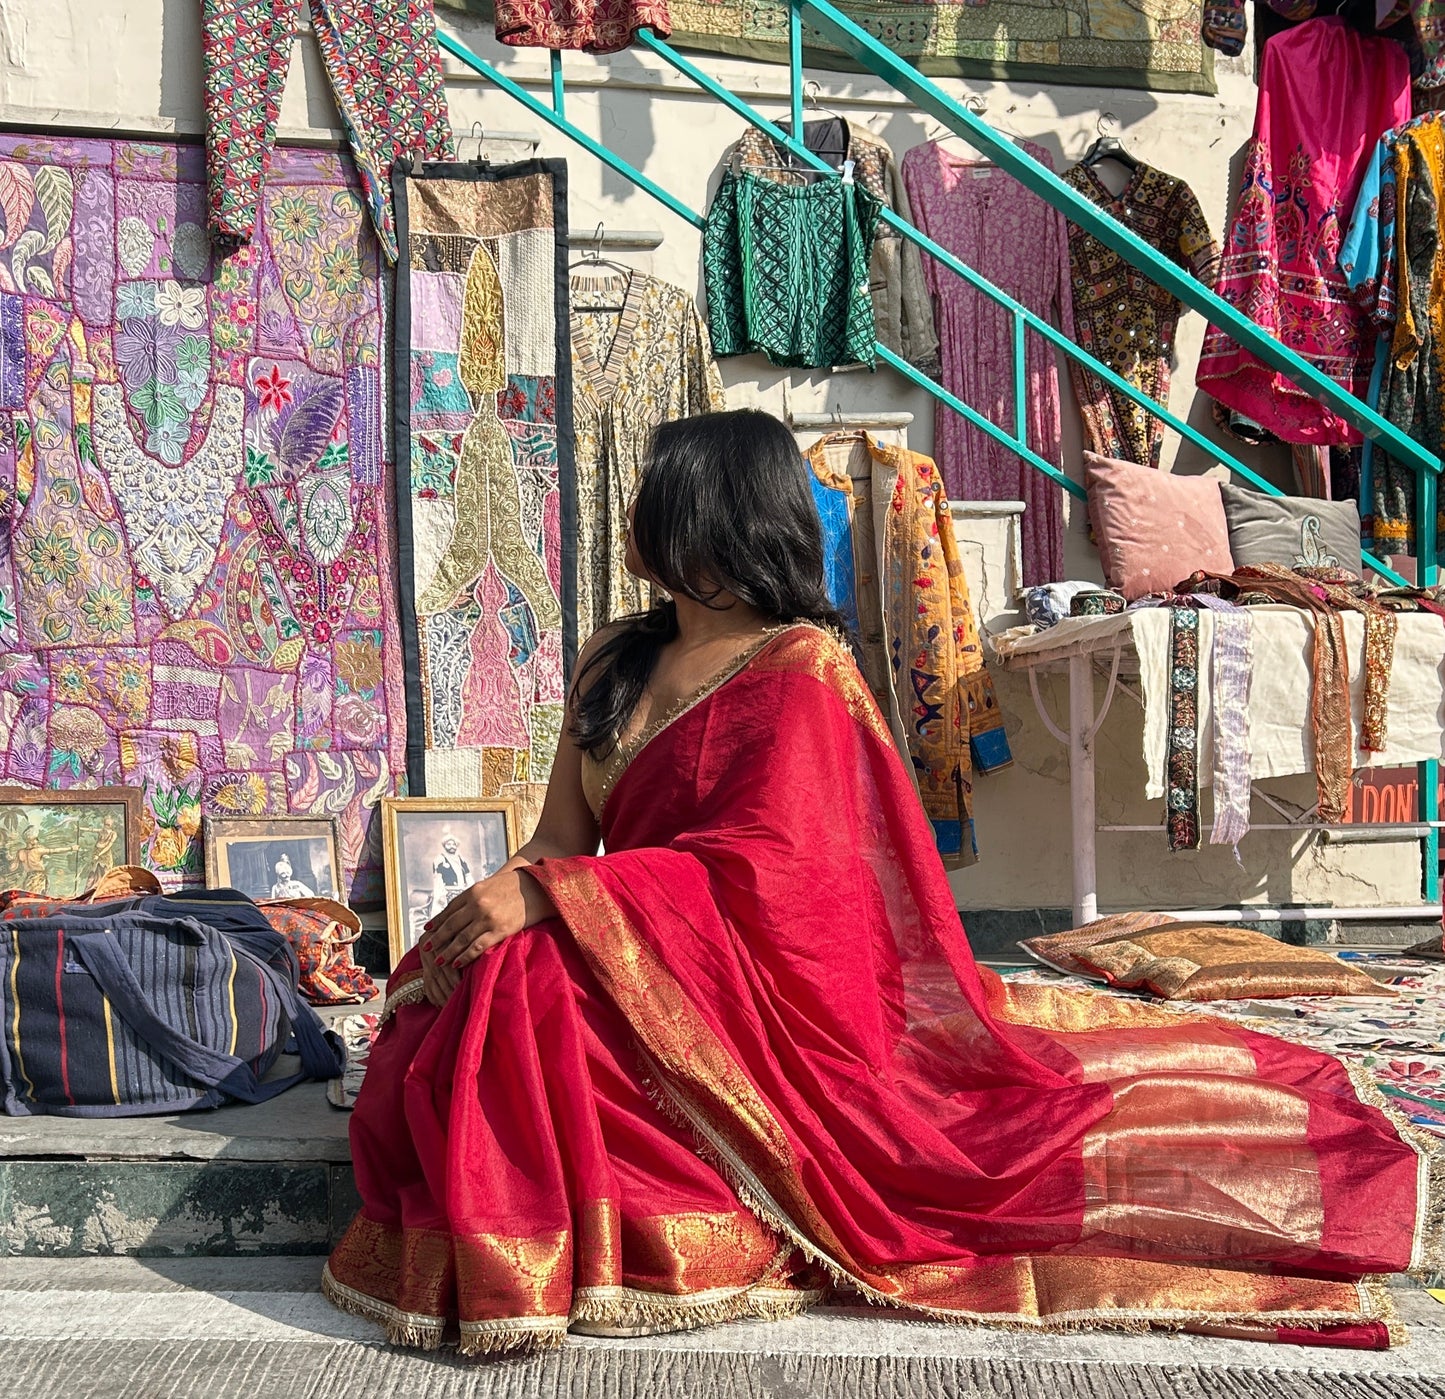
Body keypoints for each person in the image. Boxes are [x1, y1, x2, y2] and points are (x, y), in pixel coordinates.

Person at [325, 410, 1441, 1355]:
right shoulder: (615, 656)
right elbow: (561, 836)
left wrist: (562, 904)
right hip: (654, 947)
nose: (635, 521)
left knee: (535, 989)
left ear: (713, 513)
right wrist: (497, 902)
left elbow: (783, 880)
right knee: (470, 980)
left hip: (758, 985)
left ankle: (588, 1238)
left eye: (656, 498)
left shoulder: (801, 669)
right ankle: (545, 1230)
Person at [427, 833, 472, 920]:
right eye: (449, 844)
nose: (452, 846)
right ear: (444, 846)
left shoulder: (461, 859)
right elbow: (438, 879)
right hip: (447, 893)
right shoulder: (440, 859)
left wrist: (471, 892)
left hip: (461, 892)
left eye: (453, 844)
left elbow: (468, 876)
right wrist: (441, 895)